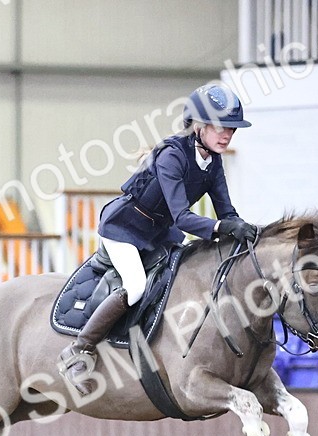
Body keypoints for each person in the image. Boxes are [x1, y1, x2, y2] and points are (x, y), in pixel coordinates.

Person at [58, 83, 260, 396]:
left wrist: (249, 230)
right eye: (222, 128)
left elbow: (226, 211)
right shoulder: (172, 156)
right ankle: (79, 349)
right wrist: (222, 228)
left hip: (158, 233)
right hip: (124, 229)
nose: (227, 136)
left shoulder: (213, 162)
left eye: (232, 130)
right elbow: (182, 217)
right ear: (200, 126)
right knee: (136, 285)